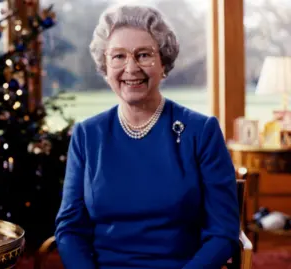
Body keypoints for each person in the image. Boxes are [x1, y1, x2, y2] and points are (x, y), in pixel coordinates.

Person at [54, 4, 240, 269]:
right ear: (105, 67)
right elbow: (70, 228)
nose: (131, 68)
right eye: (118, 56)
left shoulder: (201, 132)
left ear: (164, 63)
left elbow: (223, 233)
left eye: (144, 55)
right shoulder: (87, 135)